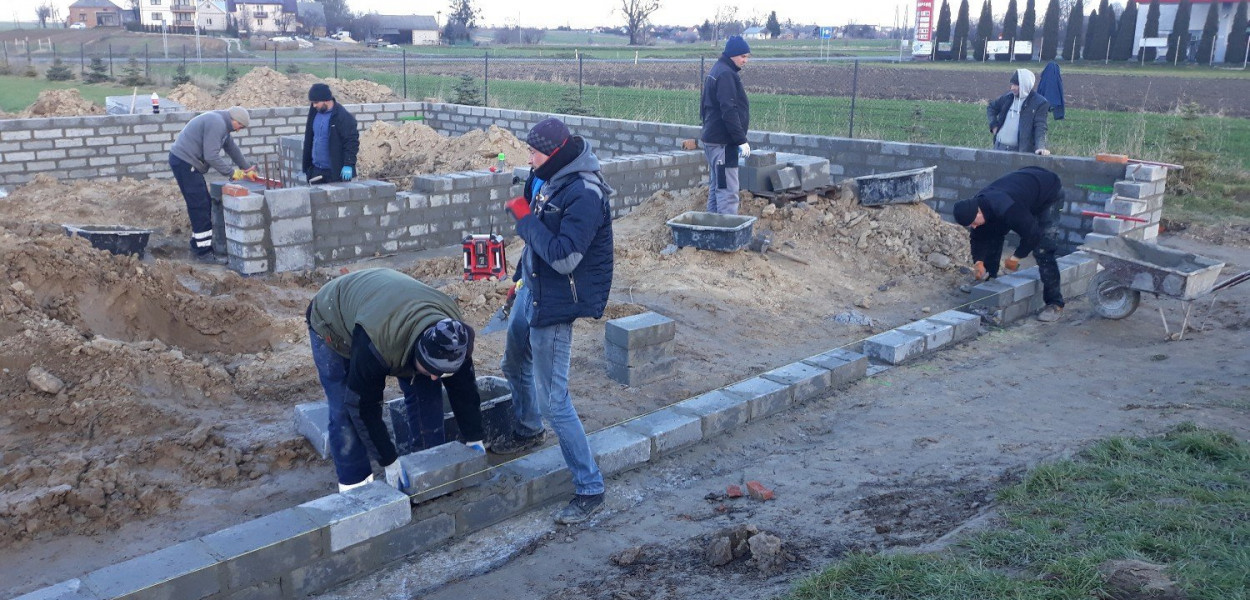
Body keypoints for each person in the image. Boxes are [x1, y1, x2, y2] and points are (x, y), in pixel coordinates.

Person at [494, 117, 614, 525]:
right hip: (532, 289)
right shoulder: (549, 178)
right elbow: (540, 235)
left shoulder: (585, 192)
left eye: (534, 152)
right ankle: (528, 429)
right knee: (512, 362)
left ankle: (590, 487)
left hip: (558, 303)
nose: (528, 158)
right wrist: (518, 280)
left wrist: (524, 220)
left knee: (555, 400)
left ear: (556, 153)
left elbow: (564, 257)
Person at [307, 267, 485, 493]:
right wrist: (388, 460)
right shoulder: (377, 343)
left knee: (427, 393)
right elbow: (363, 406)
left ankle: (428, 470)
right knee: (344, 408)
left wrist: (474, 437)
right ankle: (356, 488)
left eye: (441, 372)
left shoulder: (454, 338)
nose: (434, 376)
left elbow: (465, 391)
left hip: (391, 304)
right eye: (430, 368)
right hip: (333, 317)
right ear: (416, 351)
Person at [952, 166, 1067, 322]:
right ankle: (989, 279)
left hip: (1048, 191)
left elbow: (1032, 235)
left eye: (973, 222)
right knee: (991, 232)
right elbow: (978, 238)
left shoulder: (1008, 208)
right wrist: (978, 262)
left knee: (1043, 248)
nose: (973, 226)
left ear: (979, 212)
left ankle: (1055, 303)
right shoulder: (977, 206)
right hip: (1023, 191)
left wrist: (1015, 258)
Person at [168, 106, 255, 262]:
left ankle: (197, 244)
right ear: (233, 120)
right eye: (240, 126)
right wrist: (231, 173)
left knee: (202, 203)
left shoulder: (223, 125)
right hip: (185, 162)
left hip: (188, 162)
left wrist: (246, 168)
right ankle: (203, 252)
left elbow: (232, 149)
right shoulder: (217, 123)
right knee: (200, 205)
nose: (239, 130)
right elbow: (211, 156)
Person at [699, 35, 752, 215]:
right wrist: (740, 140)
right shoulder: (726, 75)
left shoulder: (717, 70)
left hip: (714, 141)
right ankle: (726, 236)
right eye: (743, 56)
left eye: (747, 57)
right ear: (733, 55)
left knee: (717, 188)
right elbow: (729, 110)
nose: (745, 61)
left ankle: (712, 230)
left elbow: (704, 108)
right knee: (728, 192)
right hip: (723, 145)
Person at [302, 83, 360, 184]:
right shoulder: (314, 113)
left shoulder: (342, 117)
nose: (314, 105)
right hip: (316, 171)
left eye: (316, 102)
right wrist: (308, 168)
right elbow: (310, 138)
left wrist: (349, 164)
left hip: (334, 173)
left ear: (326, 100)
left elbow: (351, 142)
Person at [986, 68, 1051, 156]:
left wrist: (1041, 146)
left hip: (1019, 152)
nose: (1012, 88)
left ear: (1025, 84)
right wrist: (993, 125)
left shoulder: (1040, 103)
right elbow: (991, 107)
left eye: (1016, 85)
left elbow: (1040, 126)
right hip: (998, 147)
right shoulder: (1008, 97)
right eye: (1012, 85)